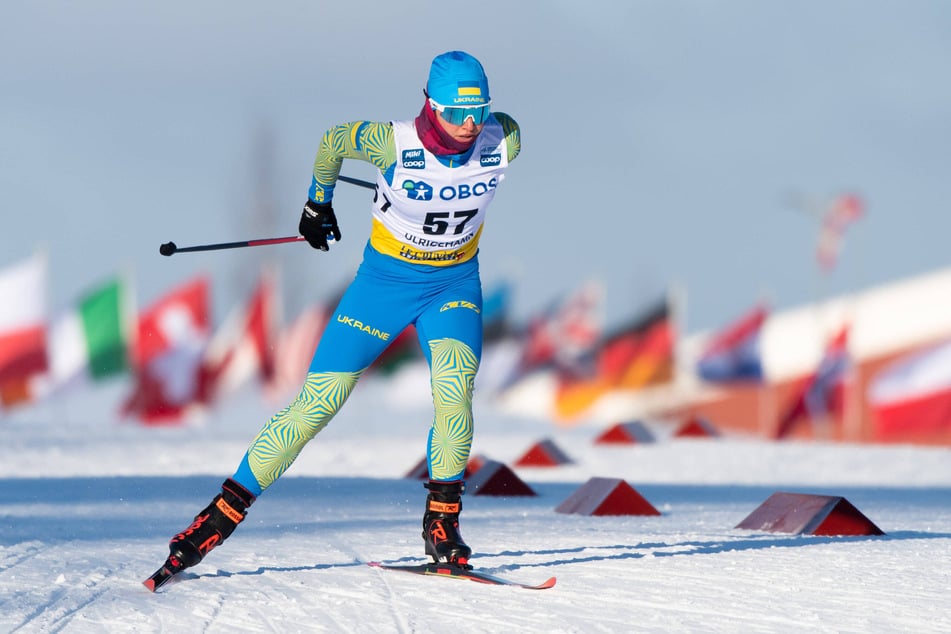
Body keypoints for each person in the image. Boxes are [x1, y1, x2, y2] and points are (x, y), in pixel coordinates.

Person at [160, 51, 520, 574]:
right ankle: (216, 518)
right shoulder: (389, 143)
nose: (471, 124)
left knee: (455, 387)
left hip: (453, 285)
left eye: (479, 111)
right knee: (318, 404)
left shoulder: (504, 138)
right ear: (430, 105)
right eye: (457, 112)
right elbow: (332, 142)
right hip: (383, 287)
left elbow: (484, 138)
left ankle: (442, 525)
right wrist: (317, 204)